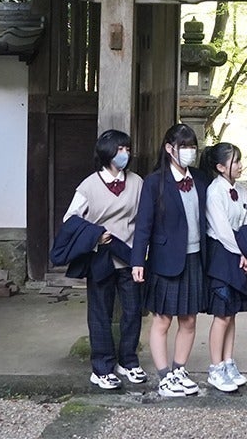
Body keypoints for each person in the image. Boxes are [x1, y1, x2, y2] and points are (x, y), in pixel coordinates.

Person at [54, 129, 146, 390]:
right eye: (119, 149)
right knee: (100, 313)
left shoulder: (137, 182)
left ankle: (128, 361)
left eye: (127, 149)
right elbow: (70, 219)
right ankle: (102, 367)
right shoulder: (89, 185)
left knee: (133, 311)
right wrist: (95, 235)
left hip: (129, 256)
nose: (125, 154)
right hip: (101, 256)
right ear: (107, 153)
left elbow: (144, 219)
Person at [131, 123, 207, 397]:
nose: (189, 151)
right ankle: (164, 377)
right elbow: (143, 225)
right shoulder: (154, 182)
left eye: (192, 146)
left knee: (189, 319)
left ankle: (179, 370)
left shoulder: (201, 179)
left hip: (195, 257)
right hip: (165, 259)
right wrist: (137, 261)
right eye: (183, 146)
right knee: (162, 320)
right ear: (169, 148)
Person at [200, 142, 247, 392]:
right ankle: (216, 368)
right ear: (221, 167)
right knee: (221, 314)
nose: (240, 166)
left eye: (240, 160)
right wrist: (243, 253)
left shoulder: (240, 190)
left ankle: (228, 361)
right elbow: (222, 230)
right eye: (235, 162)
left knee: (232, 313)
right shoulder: (215, 192)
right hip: (222, 255)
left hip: (239, 253)